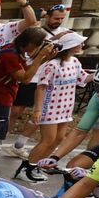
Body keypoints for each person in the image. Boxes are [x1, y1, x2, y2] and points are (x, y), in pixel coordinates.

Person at [24, 32, 87, 177]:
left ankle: (38, 166)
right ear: (71, 46)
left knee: (58, 139)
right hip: (50, 107)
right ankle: (26, 168)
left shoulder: (75, 62)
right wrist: (37, 110)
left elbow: (83, 78)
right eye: (79, 43)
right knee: (48, 140)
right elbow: (41, 87)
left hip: (65, 108)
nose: (82, 45)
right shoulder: (51, 65)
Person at [0, 26, 55, 141]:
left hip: (3, 97)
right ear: (30, 43)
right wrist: (40, 56)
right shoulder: (10, 55)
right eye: (38, 44)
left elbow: (26, 71)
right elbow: (25, 79)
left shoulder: (15, 51)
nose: (39, 47)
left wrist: (45, 58)